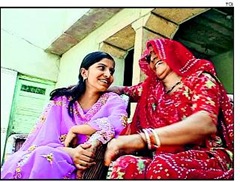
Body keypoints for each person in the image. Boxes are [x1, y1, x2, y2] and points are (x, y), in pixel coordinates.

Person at [104, 38, 233, 179]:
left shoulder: (200, 78)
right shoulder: (151, 89)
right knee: (125, 165)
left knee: (161, 167)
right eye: (149, 58)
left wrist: (143, 139)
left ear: (171, 52)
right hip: (163, 155)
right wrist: (81, 88)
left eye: (157, 53)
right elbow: (122, 91)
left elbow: (205, 123)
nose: (153, 59)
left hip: (206, 153)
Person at [1, 51, 128, 179]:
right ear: (84, 72)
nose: (108, 75)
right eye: (102, 68)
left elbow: (119, 123)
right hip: (55, 154)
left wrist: (77, 129)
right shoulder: (61, 100)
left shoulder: (113, 100)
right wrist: (71, 152)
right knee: (35, 157)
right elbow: (45, 139)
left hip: (85, 163)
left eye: (111, 71)